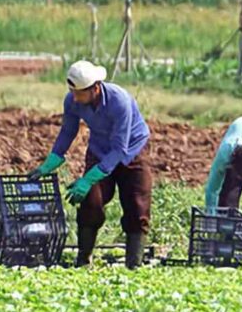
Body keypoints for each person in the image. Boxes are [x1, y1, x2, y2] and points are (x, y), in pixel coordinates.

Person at [29, 61, 152, 269]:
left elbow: (120, 149)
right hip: (100, 150)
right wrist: (51, 162)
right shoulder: (72, 100)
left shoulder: (118, 101)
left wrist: (87, 179)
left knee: (136, 204)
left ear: (95, 88)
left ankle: (134, 264)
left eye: (80, 93)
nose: (75, 98)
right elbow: (68, 132)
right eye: (72, 92)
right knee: (90, 201)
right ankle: (84, 260)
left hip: (131, 150)